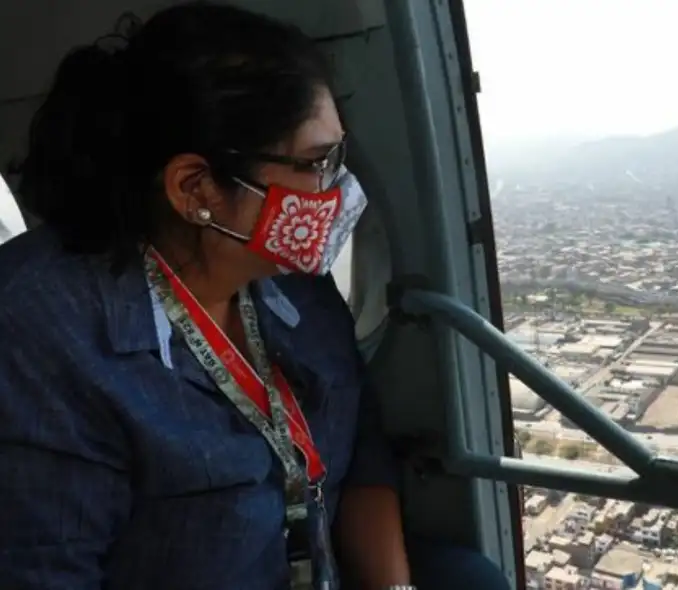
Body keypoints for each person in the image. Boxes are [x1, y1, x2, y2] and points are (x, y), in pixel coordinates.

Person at [0, 3, 510, 590]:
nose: (337, 189)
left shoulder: (298, 285)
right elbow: (45, 567)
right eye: (317, 163)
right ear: (197, 188)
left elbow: (362, 451)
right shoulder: (37, 331)